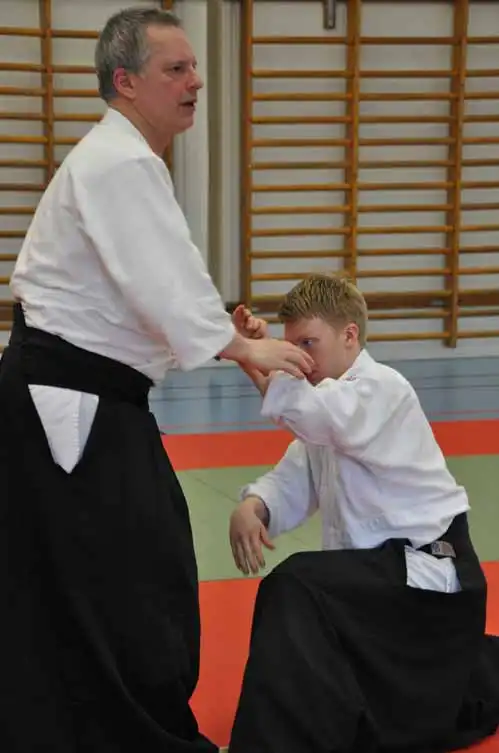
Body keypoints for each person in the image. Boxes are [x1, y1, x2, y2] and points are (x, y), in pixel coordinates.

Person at [0, 7, 313, 753]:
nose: (196, 81)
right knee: (138, 571)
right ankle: (125, 731)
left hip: (76, 397)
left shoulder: (123, 159)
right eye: (177, 69)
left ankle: (75, 726)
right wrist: (238, 347)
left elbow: (140, 293)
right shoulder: (121, 161)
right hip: (67, 405)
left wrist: (226, 334)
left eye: (195, 67)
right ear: (126, 81)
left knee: (86, 574)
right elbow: (160, 284)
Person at [228, 274, 499, 753]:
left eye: (308, 344)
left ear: (350, 335)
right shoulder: (328, 402)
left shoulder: (381, 389)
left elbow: (321, 417)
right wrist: (256, 506)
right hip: (382, 580)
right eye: (290, 348)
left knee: (297, 585)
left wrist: (254, 359)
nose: (298, 360)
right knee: (310, 594)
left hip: (429, 577)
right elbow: (295, 477)